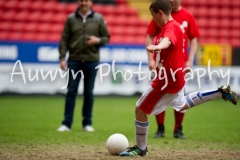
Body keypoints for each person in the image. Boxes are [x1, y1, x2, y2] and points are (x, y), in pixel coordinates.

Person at [119, 0, 238, 156]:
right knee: (182, 104)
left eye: (153, 15)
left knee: (140, 109)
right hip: (175, 76)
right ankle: (220, 92)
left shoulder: (171, 27)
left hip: (166, 81)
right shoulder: (170, 26)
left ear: (160, 13)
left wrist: (157, 47)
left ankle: (141, 148)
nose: (152, 19)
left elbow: (168, 41)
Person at [146, 0, 200, 139]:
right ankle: (160, 128)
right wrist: (151, 58)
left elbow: (193, 39)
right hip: (163, 64)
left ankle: (178, 128)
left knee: (179, 98)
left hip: (180, 64)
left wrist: (190, 60)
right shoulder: (161, 14)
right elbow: (150, 35)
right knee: (161, 94)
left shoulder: (187, 16)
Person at [57, 0, 110, 132]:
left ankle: (87, 123)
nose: (84, 3)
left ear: (91, 2)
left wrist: (97, 40)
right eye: (81, 0)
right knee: (71, 92)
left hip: (92, 61)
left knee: (89, 93)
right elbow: (64, 39)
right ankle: (66, 123)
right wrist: (62, 58)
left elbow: (106, 37)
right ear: (78, 2)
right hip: (74, 60)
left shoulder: (99, 18)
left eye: (86, 0)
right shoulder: (70, 19)